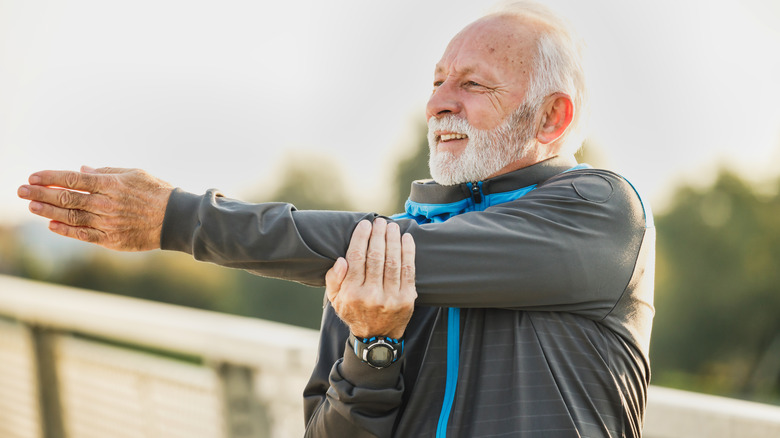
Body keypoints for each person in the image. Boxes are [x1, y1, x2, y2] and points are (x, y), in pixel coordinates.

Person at [17, 1, 655, 437]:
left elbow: (405, 252)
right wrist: (371, 352)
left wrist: (178, 219)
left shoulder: (601, 212)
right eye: (436, 82)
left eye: (473, 85)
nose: (437, 103)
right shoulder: (369, 254)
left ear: (553, 118)